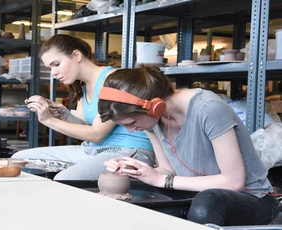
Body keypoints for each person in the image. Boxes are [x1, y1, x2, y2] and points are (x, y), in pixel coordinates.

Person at [97, 64, 281, 226]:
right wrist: (138, 171)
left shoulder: (208, 108)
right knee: (140, 192)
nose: (130, 130)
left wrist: (161, 180)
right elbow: (167, 171)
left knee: (206, 203)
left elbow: (234, 182)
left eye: (131, 122)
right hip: (197, 192)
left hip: (252, 198)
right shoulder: (151, 122)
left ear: (155, 106)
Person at [11, 34, 155, 180]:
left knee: (65, 179)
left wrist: (47, 120)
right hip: (93, 150)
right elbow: (84, 126)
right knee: (18, 160)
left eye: (56, 64)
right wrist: (64, 115)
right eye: (50, 68)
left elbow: (96, 134)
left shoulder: (113, 80)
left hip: (128, 152)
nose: (53, 73)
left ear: (76, 56)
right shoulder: (83, 86)